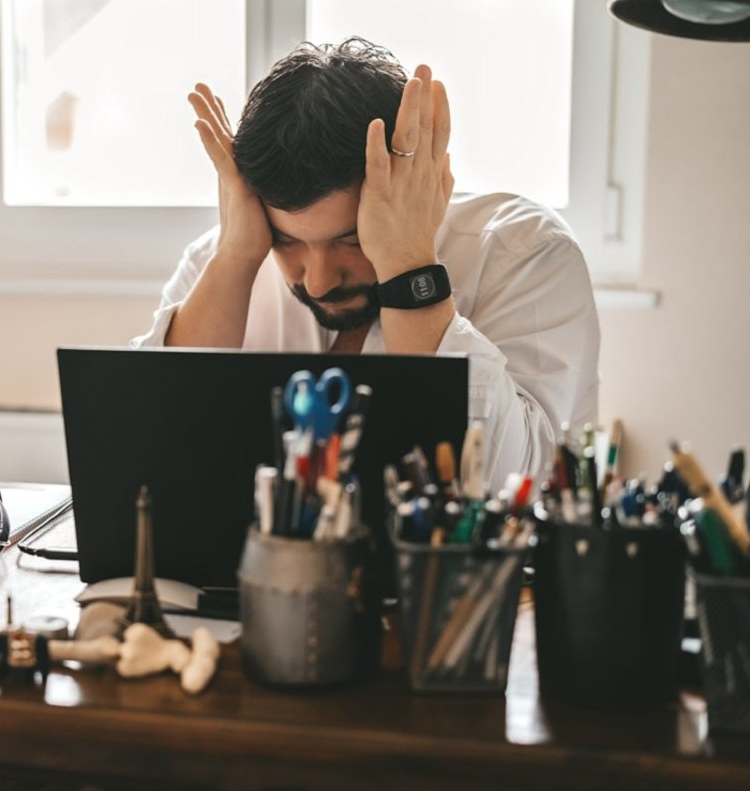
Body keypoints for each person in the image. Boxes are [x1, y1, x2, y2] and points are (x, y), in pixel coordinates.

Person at [132, 39, 599, 490]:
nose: (317, 282)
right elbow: (142, 453)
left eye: (351, 239)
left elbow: (514, 485)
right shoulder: (229, 255)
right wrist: (236, 257)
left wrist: (409, 268)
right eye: (286, 240)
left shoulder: (525, 253)